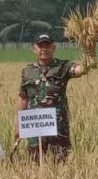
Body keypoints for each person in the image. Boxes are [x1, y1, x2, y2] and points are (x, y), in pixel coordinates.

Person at [15, 34, 90, 163]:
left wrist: (89, 57)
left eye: (47, 46)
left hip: (58, 124)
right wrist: (17, 125)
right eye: (40, 46)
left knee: (61, 161)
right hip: (35, 124)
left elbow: (80, 70)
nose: (44, 49)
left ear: (53, 48)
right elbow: (23, 98)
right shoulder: (27, 71)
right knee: (35, 160)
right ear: (34, 49)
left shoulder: (63, 67)